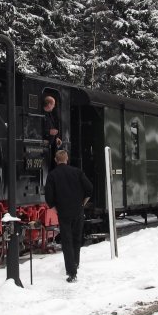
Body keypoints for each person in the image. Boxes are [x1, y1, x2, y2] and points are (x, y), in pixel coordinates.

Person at [44, 149, 93, 283]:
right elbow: (89, 188)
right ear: (67, 159)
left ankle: (71, 272)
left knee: (67, 241)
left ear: (56, 160)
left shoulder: (52, 175)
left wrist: (56, 209)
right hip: (78, 210)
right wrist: (83, 203)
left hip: (63, 212)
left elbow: (49, 197)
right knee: (77, 239)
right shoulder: (77, 172)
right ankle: (75, 264)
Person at [42, 95, 62, 163]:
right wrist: (49, 132)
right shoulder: (41, 114)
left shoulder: (50, 115)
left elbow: (52, 127)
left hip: (50, 147)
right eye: (53, 104)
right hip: (43, 147)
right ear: (49, 104)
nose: (54, 106)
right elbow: (36, 130)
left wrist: (56, 138)